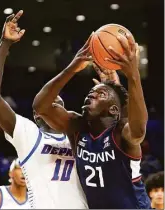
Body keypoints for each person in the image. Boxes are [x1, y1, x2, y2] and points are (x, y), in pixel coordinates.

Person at [33, 31, 151, 208]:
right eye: (90, 93)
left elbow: (138, 129)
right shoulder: (77, 127)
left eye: (100, 94)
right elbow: (40, 107)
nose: (91, 95)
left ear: (112, 109)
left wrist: (133, 75)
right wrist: (72, 67)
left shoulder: (121, 134)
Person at [0, 10, 87, 209]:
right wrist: (4, 44)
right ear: (36, 114)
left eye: (57, 104)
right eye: (46, 104)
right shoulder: (29, 135)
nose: (52, 105)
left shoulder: (78, 137)